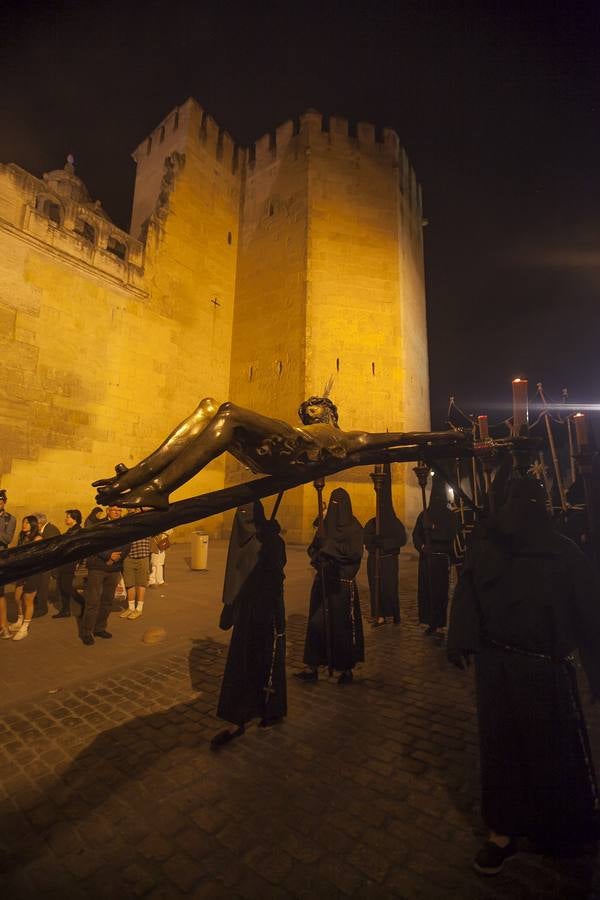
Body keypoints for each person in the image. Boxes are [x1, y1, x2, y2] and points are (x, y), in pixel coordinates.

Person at [447, 478, 600, 876]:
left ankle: (559, 827)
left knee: (552, 750)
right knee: (503, 753)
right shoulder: (489, 549)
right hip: (498, 670)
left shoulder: (562, 553)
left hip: (545, 670)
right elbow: (468, 595)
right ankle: (503, 831)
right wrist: (461, 639)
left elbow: (589, 614)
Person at [92, 395, 464, 509]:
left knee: (229, 412)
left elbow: (399, 437)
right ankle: (134, 478)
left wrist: (445, 436)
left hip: (295, 452)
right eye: (307, 408)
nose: (310, 409)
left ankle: (158, 488)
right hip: (279, 447)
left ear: (330, 413)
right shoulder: (303, 425)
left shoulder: (350, 436)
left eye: (316, 407)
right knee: (208, 407)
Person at [211, 501, 287, 748]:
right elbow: (234, 575)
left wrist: (271, 539)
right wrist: (230, 605)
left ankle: (269, 710)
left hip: (267, 610)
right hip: (247, 612)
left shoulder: (270, 541)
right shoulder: (242, 540)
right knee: (242, 664)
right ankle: (238, 717)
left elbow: (276, 573)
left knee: (267, 660)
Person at [295, 487, 364, 684]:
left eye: (339, 504)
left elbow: (354, 553)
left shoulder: (354, 528)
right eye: (333, 503)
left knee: (342, 628)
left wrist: (330, 550)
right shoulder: (325, 526)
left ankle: (345, 669)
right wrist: (320, 558)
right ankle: (313, 666)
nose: (336, 508)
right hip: (324, 581)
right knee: (317, 625)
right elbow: (313, 548)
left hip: (342, 585)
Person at [80, 506, 131, 645]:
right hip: (97, 567)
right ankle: (86, 631)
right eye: (114, 510)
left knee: (108, 600)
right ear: (108, 511)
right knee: (93, 601)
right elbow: (93, 544)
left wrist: (115, 559)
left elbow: (127, 544)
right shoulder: (98, 525)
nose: (117, 512)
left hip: (114, 568)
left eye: (119, 510)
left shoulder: (124, 526)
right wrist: (108, 556)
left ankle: (100, 628)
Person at [364, 463, 407, 626]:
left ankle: (394, 613)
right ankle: (379, 615)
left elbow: (401, 539)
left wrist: (385, 543)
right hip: (374, 559)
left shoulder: (394, 522)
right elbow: (365, 538)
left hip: (389, 560)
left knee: (389, 589)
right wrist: (373, 542)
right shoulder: (372, 522)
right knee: (376, 588)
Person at [412, 484, 456, 636]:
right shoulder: (424, 514)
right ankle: (430, 622)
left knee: (440, 592)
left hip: (441, 559)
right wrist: (422, 546)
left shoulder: (450, 516)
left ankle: (439, 623)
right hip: (427, 558)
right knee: (427, 591)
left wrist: (434, 528)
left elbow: (451, 535)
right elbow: (416, 535)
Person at [9, 516, 43, 641]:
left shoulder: (38, 538)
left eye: (27, 523)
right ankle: (20, 620)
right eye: (23, 522)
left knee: (28, 600)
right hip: (22, 572)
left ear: (33, 525)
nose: (24, 525)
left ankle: (25, 627)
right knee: (17, 597)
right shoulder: (23, 537)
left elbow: (35, 557)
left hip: (33, 572)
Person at [53, 510, 83, 618]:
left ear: (74, 519)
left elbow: (79, 548)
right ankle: (65, 610)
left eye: (68, 517)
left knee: (66, 587)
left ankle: (83, 603)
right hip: (65, 562)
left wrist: (78, 562)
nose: (66, 519)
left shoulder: (78, 531)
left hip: (70, 562)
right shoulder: (71, 530)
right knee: (62, 586)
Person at [120, 514, 150, 620]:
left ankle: (139, 609)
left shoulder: (147, 523)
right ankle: (131, 608)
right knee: (129, 583)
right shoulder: (126, 525)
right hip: (128, 556)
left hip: (143, 556)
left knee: (141, 583)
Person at [33, 512, 60, 617]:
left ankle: (42, 609)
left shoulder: (51, 531)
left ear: (39, 523)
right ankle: (39, 606)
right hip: (43, 564)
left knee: (43, 587)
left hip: (48, 564)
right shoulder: (44, 530)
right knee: (40, 585)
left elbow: (51, 549)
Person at [0, 488, 17, 640]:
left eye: (0, 501)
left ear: (4, 502)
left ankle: (4, 626)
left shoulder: (10, 519)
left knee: (0, 594)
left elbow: (7, 539)